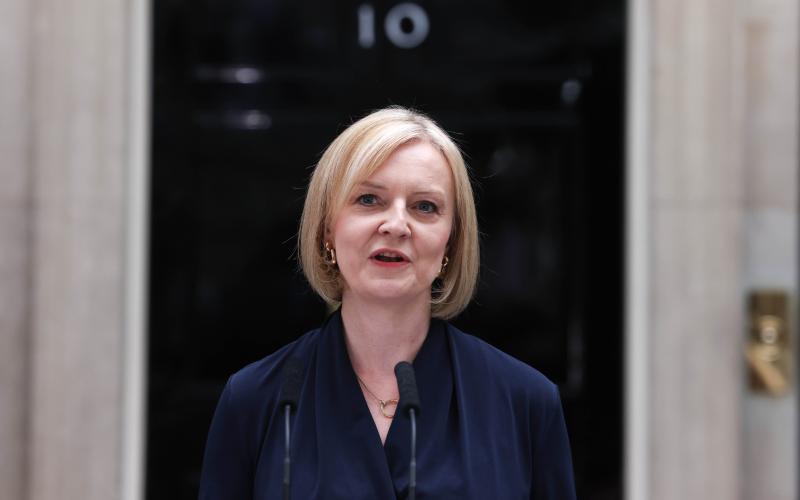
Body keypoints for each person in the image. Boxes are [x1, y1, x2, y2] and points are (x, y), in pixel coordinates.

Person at [198, 106, 576, 499]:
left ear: (450, 240)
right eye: (369, 199)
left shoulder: (526, 402)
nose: (396, 225)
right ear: (329, 228)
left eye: (424, 206)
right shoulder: (255, 399)